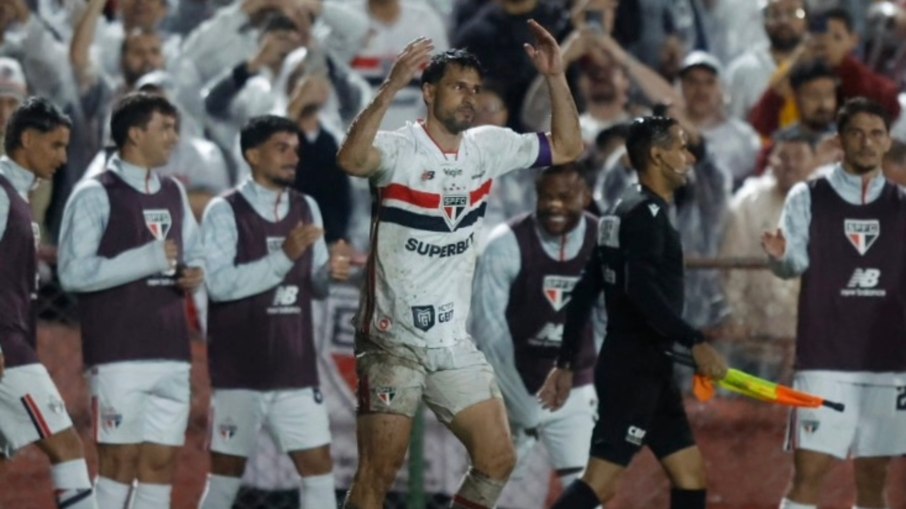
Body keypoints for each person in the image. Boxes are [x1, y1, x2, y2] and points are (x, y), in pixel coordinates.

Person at [335, 21, 584, 509]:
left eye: (474, 89)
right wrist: (390, 87)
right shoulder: (399, 148)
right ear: (429, 92)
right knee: (377, 475)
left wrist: (556, 76)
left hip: (451, 341)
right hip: (393, 342)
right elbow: (351, 160)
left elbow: (568, 147)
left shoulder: (487, 147)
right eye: (457, 87)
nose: (469, 97)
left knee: (497, 459)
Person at [539, 116, 728, 509]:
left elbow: (585, 289)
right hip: (634, 370)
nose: (689, 157)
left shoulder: (622, 209)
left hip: (650, 367)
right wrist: (694, 341)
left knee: (690, 475)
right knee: (600, 484)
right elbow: (641, 291)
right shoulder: (645, 216)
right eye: (681, 147)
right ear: (658, 156)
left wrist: (566, 360)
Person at [57, 92, 204, 509]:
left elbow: (194, 253)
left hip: (172, 350)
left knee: (160, 466)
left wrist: (194, 272)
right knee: (118, 464)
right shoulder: (94, 194)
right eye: (165, 128)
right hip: (118, 353)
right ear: (135, 134)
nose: (174, 138)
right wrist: (148, 259)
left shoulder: (173, 191)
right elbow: (72, 273)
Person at [198, 114, 351, 509]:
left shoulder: (307, 207)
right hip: (240, 373)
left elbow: (316, 286)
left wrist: (331, 273)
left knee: (318, 471)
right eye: (281, 149)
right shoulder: (224, 211)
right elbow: (220, 285)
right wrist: (284, 257)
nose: (293, 158)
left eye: (295, 150)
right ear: (252, 155)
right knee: (224, 479)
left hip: (294, 370)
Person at [762, 97, 906, 509]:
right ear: (840, 140)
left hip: (888, 362)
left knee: (874, 481)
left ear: (888, 141)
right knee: (808, 475)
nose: (867, 142)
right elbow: (794, 264)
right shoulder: (808, 196)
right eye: (857, 133)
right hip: (824, 359)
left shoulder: (903, 204)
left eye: (876, 133)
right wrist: (780, 258)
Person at [471, 163, 603, 508]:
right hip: (513, 383)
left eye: (565, 196)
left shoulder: (603, 241)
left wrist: (595, 374)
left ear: (585, 196)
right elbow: (489, 333)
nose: (554, 205)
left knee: (587, 496)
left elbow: (609, 317)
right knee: (485, 495)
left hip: (575, 386)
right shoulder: (506, 242)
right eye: (546, 197)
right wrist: (521, 403)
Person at [0, 97, 98, 509]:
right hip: (8, 348)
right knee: (67, 446)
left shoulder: (18, 195)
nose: (63, 158)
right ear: (27, 139)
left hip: (14, 342)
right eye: (56, 145)